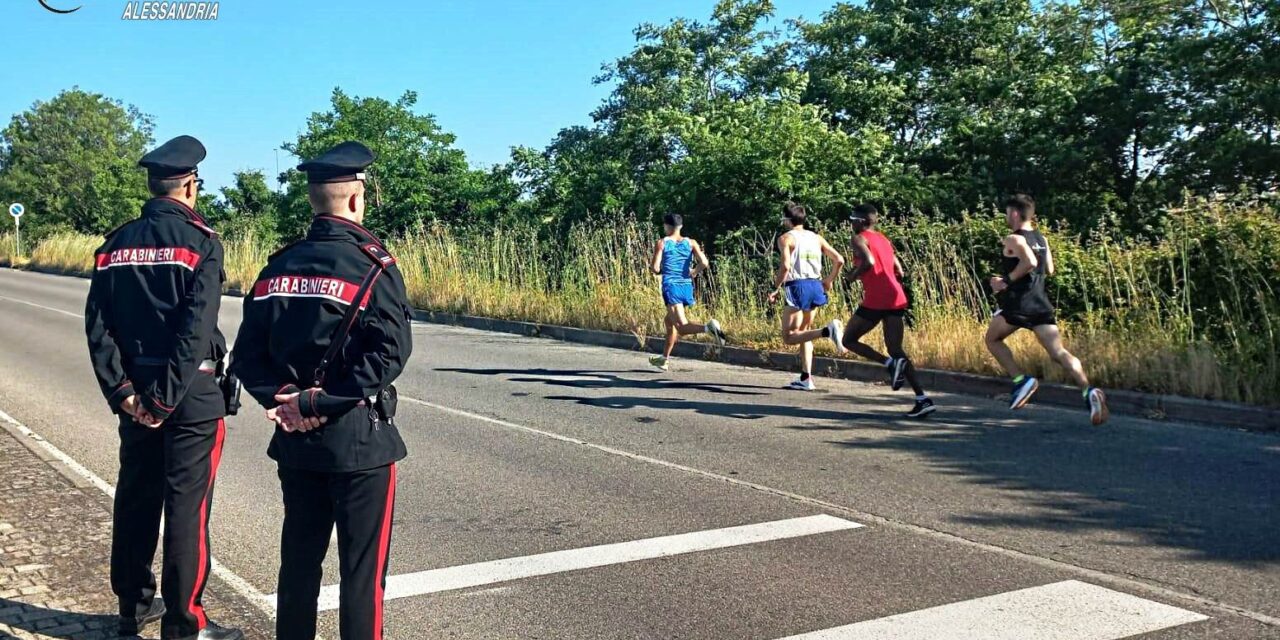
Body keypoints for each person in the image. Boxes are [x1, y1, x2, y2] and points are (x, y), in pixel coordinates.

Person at [230, 141, 414, 640]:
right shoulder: (373, 266)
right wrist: (318, 402)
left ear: (313, 200)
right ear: (355, 199)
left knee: (298, 568)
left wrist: (286, 401)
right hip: (356, 439)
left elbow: (246, 354)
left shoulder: (278, 266)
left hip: (295, 438)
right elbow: (389, 355)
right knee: (362, 577)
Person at [84, 136, 242, 640]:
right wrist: (163, 398)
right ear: (191, 185)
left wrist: (125, 393)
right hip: (188, 395)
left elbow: (97, 327)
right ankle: (184, 623)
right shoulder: (202, 242)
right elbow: (195, 332)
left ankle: (132, 605)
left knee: (135, 498)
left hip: (136, 397)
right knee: (186, 508)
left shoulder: (114, 244)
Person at [985, 194, 1109, 425]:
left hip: (1019, 303)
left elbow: (1030, 263)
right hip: (1041, 303)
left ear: (1014, 213)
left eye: (1006, 212)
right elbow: (1048, 268)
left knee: (992, 339)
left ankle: (1021, 381)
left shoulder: (1013, 239)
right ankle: (1089, 391)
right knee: (1059, 353)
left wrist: (1005, 280)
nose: (1005, 216)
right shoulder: (1042, 239)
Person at [841, 204, 935, 418]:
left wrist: (852, 277)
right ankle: (922, 398)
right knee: (896, 349)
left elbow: (868, 261)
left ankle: (889, 364)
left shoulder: (858, 238)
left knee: (848, 340)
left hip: (877, 299)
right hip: (896, 297)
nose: (851, 223)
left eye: (853, 219)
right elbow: (899, 270)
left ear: (863, 221)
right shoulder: (883, 239)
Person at [766, 201, 847, 390]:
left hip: (797, 286)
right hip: (816, 285)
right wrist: (829, 280)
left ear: (787, 220)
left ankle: (827, 331)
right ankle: (806, 378)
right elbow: (839, 259)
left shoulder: (785, 238)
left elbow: (785, 266)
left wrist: (775, 288)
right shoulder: (816, 238)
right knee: (804, 332)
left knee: (789, 336)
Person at [648, 213, 728, 371]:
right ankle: (664, 359)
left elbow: (656, 268)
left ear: (667, 226)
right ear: (681, 226)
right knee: (669, 322)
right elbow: (704, 262)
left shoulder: (662, 243)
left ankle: (709, 328)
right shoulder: (691, 243)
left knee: (682, 327)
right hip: (686, 286)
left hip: (671, 286)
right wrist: (693, 272)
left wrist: (654, 269)